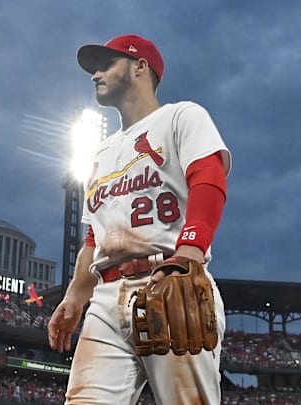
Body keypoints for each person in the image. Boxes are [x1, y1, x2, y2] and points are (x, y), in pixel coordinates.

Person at [47, 34, 232, 404]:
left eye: (106, 64)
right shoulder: (100, 153)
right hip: (105, 297)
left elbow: (208, 177)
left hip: (169, 281)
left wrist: (191, 252)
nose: (95, 74)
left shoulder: (181, 116)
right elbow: (92, 237)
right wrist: (75, 296)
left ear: (139, 67)